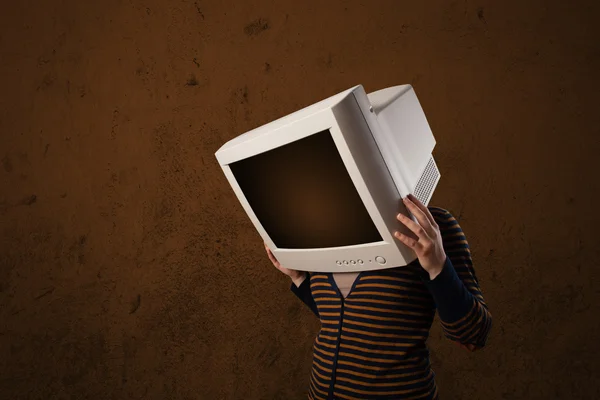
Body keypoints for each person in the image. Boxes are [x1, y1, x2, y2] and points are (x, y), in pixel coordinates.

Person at [264, 194, 492, 400]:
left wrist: (438, 267)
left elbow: (474, 335)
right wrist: (299, 279)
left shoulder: (430, 226)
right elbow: (344, 320)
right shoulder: (327, 232)